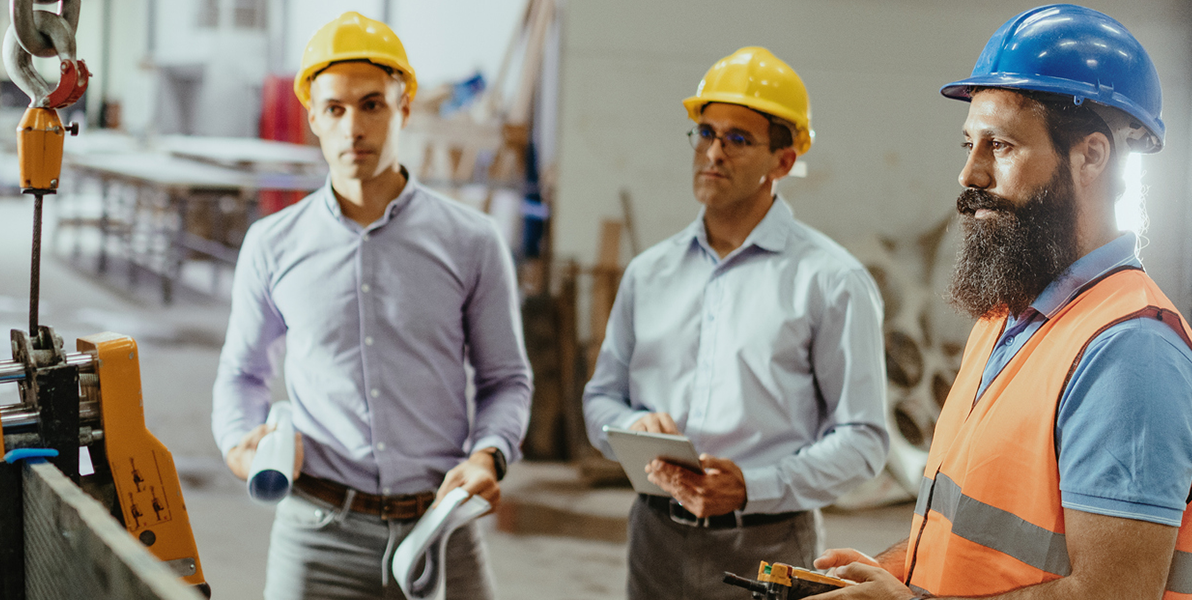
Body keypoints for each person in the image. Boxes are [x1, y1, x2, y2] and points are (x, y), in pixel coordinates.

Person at [807, 5, 1192, 600]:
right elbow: (969, 538)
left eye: (999, 145)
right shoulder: (1008, 315)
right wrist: (889, 573)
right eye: (968, 143)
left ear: (1091, 157)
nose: (968, 173)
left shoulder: (1131, 354)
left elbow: (1111, 594)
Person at [210, 12, 532, 600]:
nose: (352, 126)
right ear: (313, 117)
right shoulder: (273, 244)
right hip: (317, 533)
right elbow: (241, 373)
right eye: (334, 108)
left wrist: (490, 456)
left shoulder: (471, 241)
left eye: (372, 105)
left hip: (442, 527)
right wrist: (239, 442)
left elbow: (506, 379)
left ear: (404, 107)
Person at [580, 46, 890, 600]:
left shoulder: (831, 281)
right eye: (705, 132)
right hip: (654, 539)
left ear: (784, 161)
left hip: (769, 548)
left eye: (738, 139)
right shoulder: (648, 274)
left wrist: (752, 487)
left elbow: (863, 440)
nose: (713, 152)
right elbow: (599, 401)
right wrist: (635, 427)